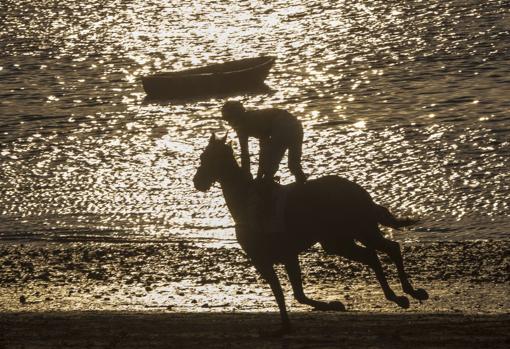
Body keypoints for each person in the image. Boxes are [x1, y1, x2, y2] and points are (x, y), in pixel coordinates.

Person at [221, 100, 307, 183]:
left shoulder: (244, 126)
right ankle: (303, 186)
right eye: (226, 120)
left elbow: (253, 153)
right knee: (293, 166)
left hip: (282, 126)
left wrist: (256, 177)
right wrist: (256, 175)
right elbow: (255, 153)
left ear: (237, 116)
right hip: (295, 125)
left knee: (269, 169)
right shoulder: (248, 119)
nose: (229, 123)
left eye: (229, 119)